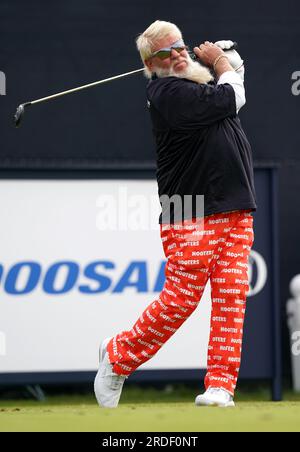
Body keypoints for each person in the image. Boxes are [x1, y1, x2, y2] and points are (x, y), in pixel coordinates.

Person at [94, 20, 257, 408]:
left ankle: (220, 386)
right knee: (181, 299)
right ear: (153, 64)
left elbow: (233, 83)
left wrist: (227, 61)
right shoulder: (166, 90)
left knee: (232, 297)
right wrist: (221, 62)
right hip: (189, 209)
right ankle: (117, 357)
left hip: (235, 202)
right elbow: (233, 97)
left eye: (180, 46)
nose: (179, 55)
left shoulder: (194, 83)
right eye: (168, 52)